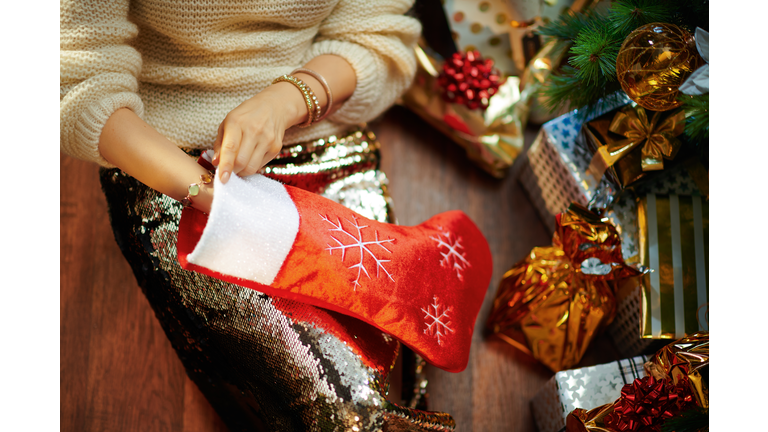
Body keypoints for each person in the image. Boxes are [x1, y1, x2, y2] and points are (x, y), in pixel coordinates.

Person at [60, 1, 455, 430]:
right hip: (171, 161)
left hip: (319, 128)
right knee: (343, 413)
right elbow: (77, 81)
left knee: (398, 348)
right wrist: (208, 193)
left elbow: (378, 36)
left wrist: (286, 100)